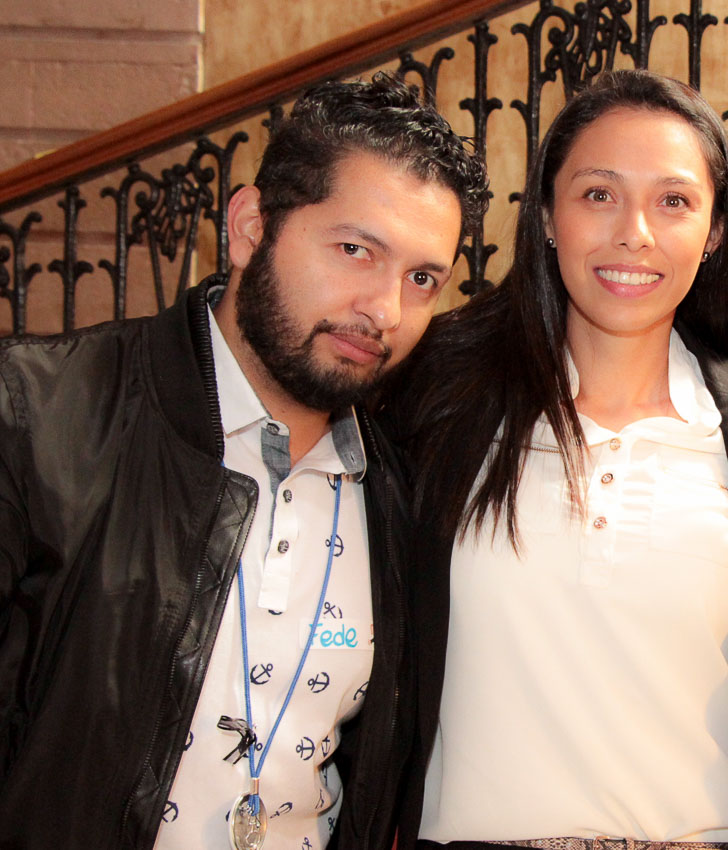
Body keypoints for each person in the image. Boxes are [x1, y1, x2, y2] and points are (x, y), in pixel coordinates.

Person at [0, 72, 487, 849]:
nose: (385, 310)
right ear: (250, 226)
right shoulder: (38, 414)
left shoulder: (396, 494)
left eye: (421, 278)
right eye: (355, 250)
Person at [384, 69, 728, 850]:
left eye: (673, 201)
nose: (633, 233)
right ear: (547, 215)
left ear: (715, 231)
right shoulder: (435, 395)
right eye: (598, 194)